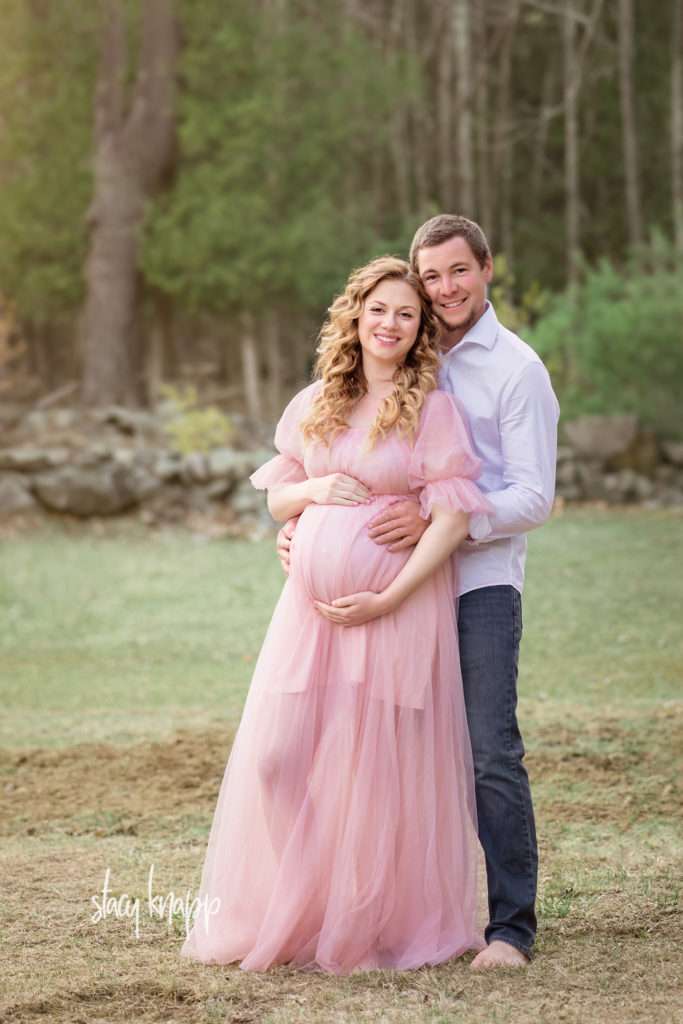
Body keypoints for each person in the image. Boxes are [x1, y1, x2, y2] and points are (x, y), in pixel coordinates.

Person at [181, 256, 492, 974]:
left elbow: (449, 519)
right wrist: (315, 490)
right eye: (378, 309)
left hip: (393, 612)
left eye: (406, 314)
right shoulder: (315, 400)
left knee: (375, 771)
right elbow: (277, 498)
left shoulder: (430, 408)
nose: (390, 323)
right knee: (275, 759)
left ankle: (370, 916)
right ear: (354, 314)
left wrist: (389, 594)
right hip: (308, 616)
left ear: (420, 332)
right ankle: (308, 894)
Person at [278, 216, 560, 969]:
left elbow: (533, 496)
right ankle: (370, 911)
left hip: (476, 584)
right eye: (430, 276)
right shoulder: (408, 350)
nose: (444, 289)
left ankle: (510, 929)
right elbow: (345, 458)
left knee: (486, 751)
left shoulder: (516, 370)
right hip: (391, 594)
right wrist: (305, 527)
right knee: (386, 755)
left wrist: (447, 520)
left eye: (457, 272)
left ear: (486, 269)